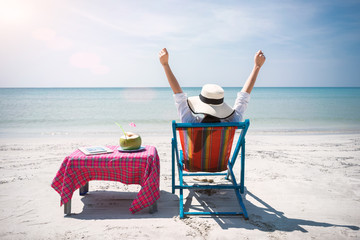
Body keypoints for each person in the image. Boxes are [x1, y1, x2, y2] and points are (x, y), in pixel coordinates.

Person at [159, 48, 266, 123]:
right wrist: (257, 66)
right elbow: (243, 98)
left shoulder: (190, 122)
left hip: (192, 157)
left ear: (201, 103)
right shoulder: (231, 122)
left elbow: (179, 96)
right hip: (222, 156)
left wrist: (165, 64)